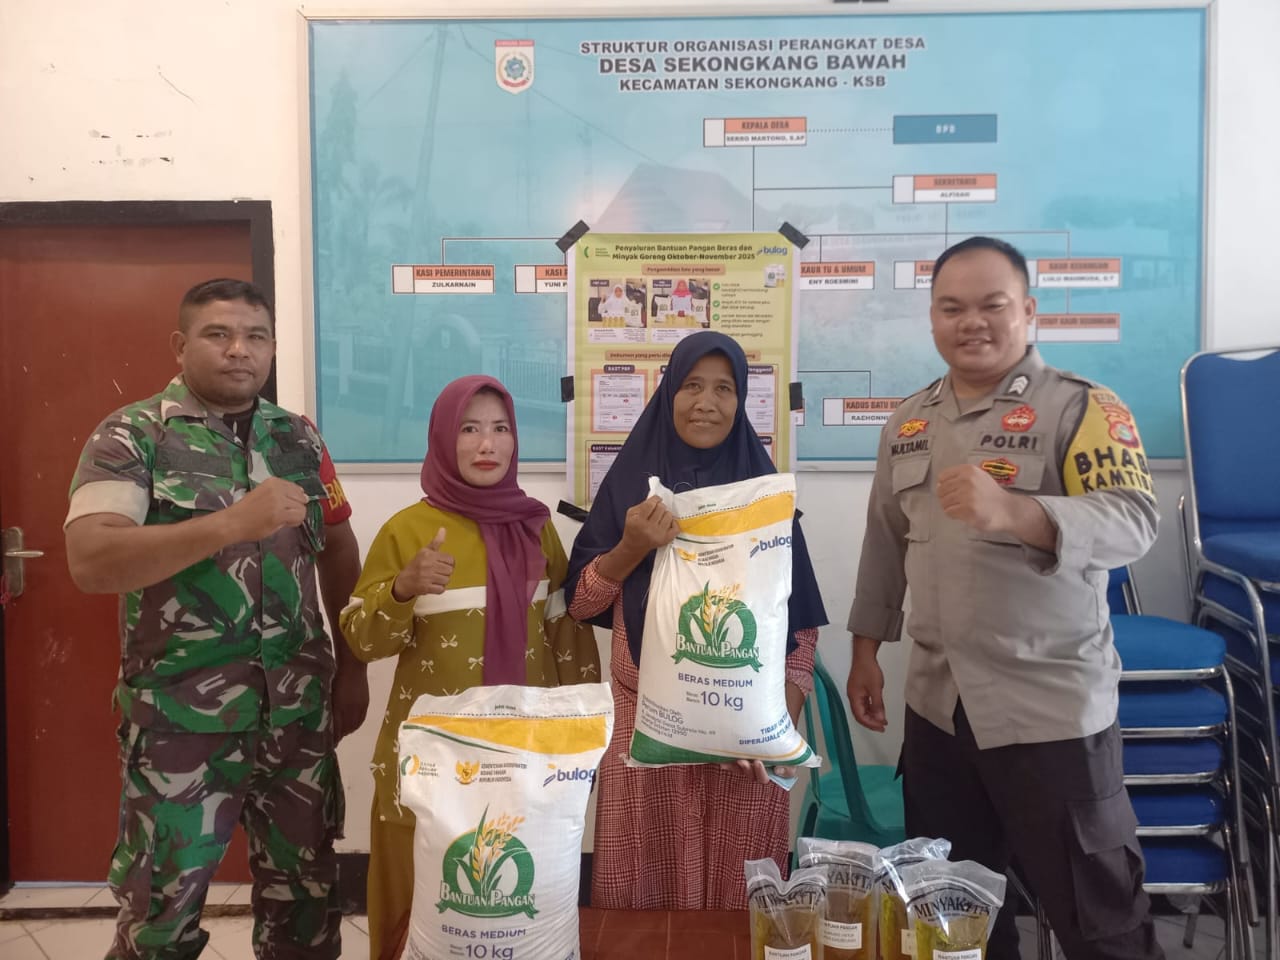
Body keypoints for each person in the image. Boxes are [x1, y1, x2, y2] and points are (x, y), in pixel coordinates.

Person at [846, 237, 1163, 960]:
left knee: (1101, 922)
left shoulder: (1081, 407)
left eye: (992, 305)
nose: (972, 322)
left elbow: (1135, 521)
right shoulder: (908, 423)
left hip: (1048, 711)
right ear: (932, 318)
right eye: (951, 308)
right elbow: (884, 543)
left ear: (1028, 309)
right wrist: (865, 652)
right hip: (937, 710)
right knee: (953, 923)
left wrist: (1018, 512)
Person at [64, 278, 368, 960]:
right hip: (180, 725)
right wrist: (231, 523)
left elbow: (338, 549)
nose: (239, 350)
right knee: (160, 925)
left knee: (307, 916)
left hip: (296, 719)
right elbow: (91, 559)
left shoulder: (298, 436)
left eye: (256, 337)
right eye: (219, 334)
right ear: (180, 345)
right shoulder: (132, 435)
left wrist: (353, 668)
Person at [565, 330, 828, 910]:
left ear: (741, 401)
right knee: (638, 908)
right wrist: (631, 545)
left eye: (723, 389)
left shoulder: (764, 499)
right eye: (691, 385)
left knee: (738, 910)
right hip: (644, 735)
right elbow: (580, 604)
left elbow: (800, 631)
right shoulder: (629, 488)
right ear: (668, 394)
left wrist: (772, 729)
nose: (706, 402)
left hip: (745, 750)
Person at [340, 375, 599, 960]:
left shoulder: (537, 529)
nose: (487, 443)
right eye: (470, 428)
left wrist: (580, 744)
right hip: (429, 763)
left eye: (501, 428)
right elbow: (361, 639)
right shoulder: (407, 530)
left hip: (524, 759)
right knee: (417, 909)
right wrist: (402, 589)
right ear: (441, 437)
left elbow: (567, 637)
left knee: (515, 906)